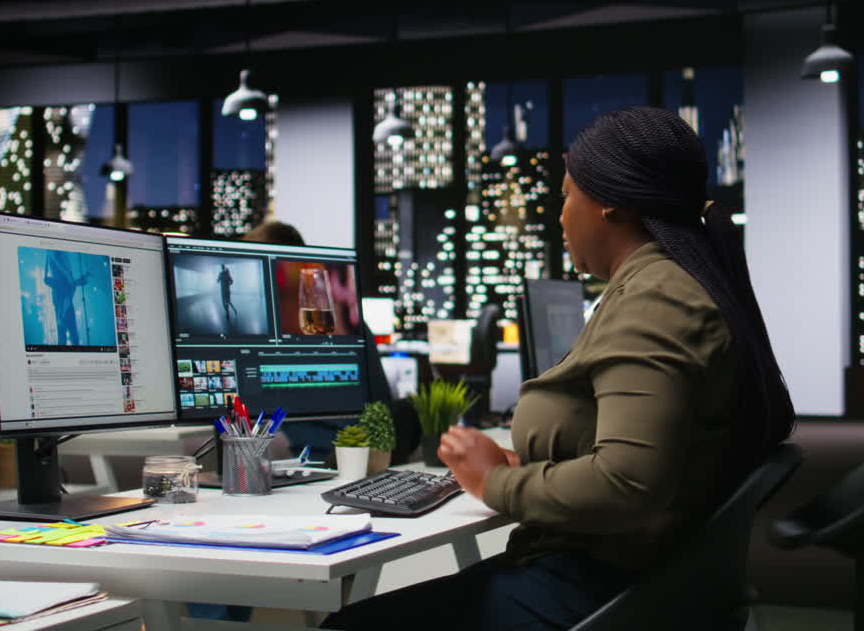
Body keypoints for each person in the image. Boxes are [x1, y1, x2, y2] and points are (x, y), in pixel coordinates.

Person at [321, 106, 795, 631]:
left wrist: (494, 481)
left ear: (610, 204)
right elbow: (654, 442)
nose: (561, 214)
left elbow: (627, 485)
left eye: (567, 193)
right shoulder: (667, 286)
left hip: (600, 588)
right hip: (640, 580)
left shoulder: (655, 301)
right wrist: (540, 456)